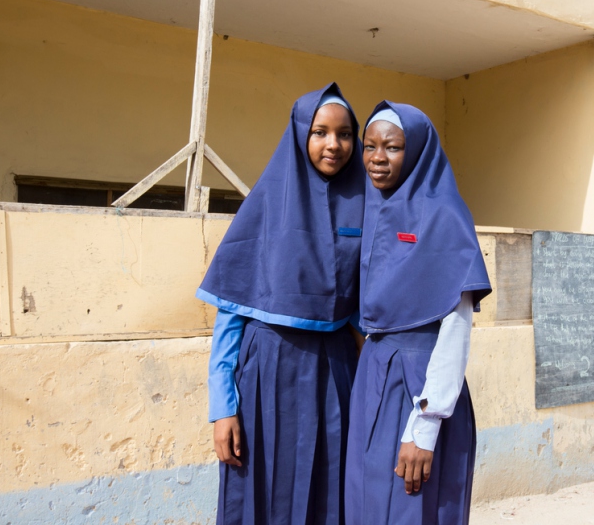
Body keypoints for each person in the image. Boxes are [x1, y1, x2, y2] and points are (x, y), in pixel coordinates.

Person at [196, 83, 366, 525]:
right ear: (298, 136)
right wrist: (223, 409)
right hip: (268, 373)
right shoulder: (265, 207)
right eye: (320, 132)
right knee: (263, 491)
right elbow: (230, 317)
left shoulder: (367, 207)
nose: (334, 144)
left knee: (331, 495)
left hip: (336, 374)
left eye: (345, 133)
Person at [345, 101, 491, 524]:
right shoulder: (373, 208)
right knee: (368, 500)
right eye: (368, 146)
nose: (376, 157)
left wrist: (425, 423)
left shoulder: (444, 214)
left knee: (414, 506)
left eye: (391, 147)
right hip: (374, 376)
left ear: (418, 150)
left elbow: (457, 324)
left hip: (420, 385)